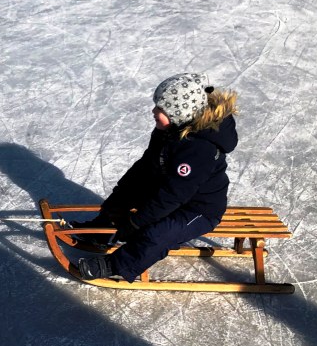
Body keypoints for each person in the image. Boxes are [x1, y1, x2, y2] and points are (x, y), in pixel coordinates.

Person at [73, 74, 238, 283]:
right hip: (169, 191)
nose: (153, 111)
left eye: (160, 109)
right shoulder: (168, 131)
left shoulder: (199, 149)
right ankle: (102, 231)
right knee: (125, 195)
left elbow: (173, 195)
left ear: (179, 113)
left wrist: (136, 223)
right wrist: (121, 195)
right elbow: (146, 165)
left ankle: (114, 265)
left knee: (158, 234)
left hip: (198, 210)